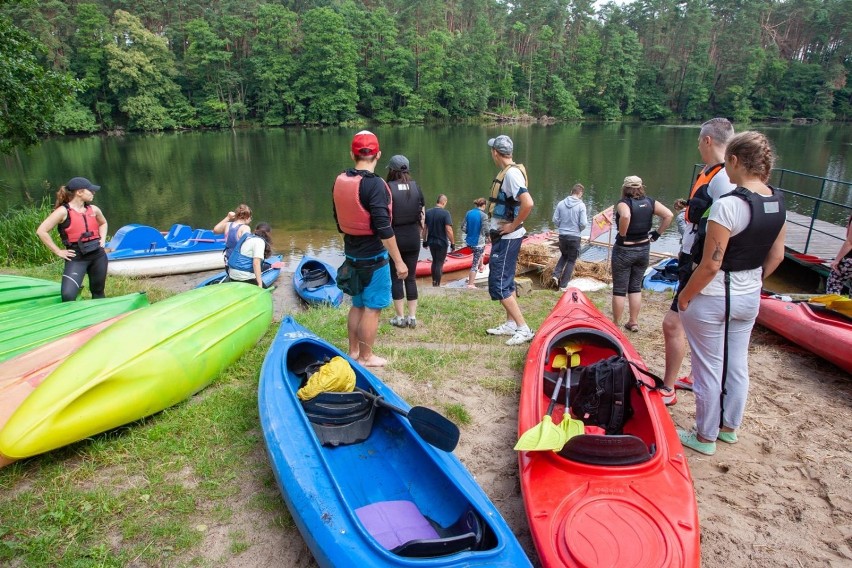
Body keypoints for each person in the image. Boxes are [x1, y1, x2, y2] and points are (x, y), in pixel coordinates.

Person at [677, 131, 787, 456]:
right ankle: (729, 429)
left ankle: (705, 435)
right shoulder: (777, 201)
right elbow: (777, 255)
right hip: (749, 294)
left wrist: (685, 296)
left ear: (735, 161)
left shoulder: (728, 206)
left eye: (728, 163)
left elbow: (711, 264)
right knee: (737, 364)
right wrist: (751, 280)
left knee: (707, 367)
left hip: (713, 297)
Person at [662, 118, 736, 405]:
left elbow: (727, 223)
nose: (697, 145)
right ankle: (693, 377)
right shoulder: (711, 172)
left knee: (672, 324)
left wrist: (704, 265)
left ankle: (668, 389)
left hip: (699, 262)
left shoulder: (724, 179)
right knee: (692, 323)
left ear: (707, 141)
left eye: (698, 141)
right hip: (691, 256)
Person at [332, 131, 408, 368]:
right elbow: (384, 228)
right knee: (373, 308)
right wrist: (399, 261)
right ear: (378, 154)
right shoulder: (375, 185)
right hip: (374, 257)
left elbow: (337, 217)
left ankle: (353, 351)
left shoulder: (340, 180)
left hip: (352, 254)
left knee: (357, 304)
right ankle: (366, 357)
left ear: (352, 153)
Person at [483, 134, 536, 346]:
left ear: (495, 153)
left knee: (499, 283)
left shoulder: (512, 175)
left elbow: (528, 203)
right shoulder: (510, 172)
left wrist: (512, 226)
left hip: (508, 237)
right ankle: (511, 324)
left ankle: (523, 328)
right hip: (505, 237)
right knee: (507, 280)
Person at [611, 175, 673, 333]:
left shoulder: (623, 203)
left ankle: (616, 324)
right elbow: (669, 215)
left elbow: (625, 215)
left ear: (624, 188)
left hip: (624, 249)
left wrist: (623, 235)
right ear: (641, 187)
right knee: (635, 287)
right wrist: (657, 234)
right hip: (644, 249)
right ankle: (633, 321)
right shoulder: (651, 202)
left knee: (619, 288)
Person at [36, 177, 108, 302]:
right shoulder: (63, 212)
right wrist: (58, 251)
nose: (93, 192)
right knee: (68, 296)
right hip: (76, 257)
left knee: (98, 292)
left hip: (98, 256)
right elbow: (41, 231)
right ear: (79, 192)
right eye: (90, 190)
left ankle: (100, 318)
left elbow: (103, 223)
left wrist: (102, 240)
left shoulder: (94, 209)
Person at [386, 154, 425, 328]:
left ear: (391, 170)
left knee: (396, 277)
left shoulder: (387, 188)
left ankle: (400, 317)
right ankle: (413, 317)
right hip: (413, 237)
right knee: (411, 277)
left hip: (394, 238)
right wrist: (420, 232)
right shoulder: (416, 187)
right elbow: (422, 215)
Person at [552, 183, 588, 291]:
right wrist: (578, 229)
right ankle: (563, 285)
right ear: (580, 193)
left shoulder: (561, 203)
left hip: (562, 235)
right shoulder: (581, 205)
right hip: (574, 236)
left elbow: (555, 219)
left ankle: (556, 274)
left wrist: (561, 227)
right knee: (571, 260)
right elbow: (583, 223)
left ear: (571, 192)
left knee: (564, 255)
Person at [423, 195, 455, 287]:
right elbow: (448, 230)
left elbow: (425, 229)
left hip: (431, 242)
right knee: (439, 263)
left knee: (435, 261)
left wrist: (424, 241)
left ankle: (434, 283)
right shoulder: (445, 213)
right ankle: (437, 285)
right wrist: (452, 243)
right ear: (444, 202)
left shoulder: (428, 212)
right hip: (442, 242)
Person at [462, 197, 489, 289]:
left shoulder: (468, 213)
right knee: (474, 264)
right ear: (484, 205)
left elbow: (463, 227)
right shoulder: (483, 215)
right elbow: (486, 230)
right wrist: (489, 237)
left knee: (482, 250)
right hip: (478, 243)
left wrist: (469, 232)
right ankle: (470, 284)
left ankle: (482, 266)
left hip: (469, 242)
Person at [826, 214, 852, 294]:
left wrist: (837, 260)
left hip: (849, 260)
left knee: (834, 284)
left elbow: (850, 242)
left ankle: (832, 305)